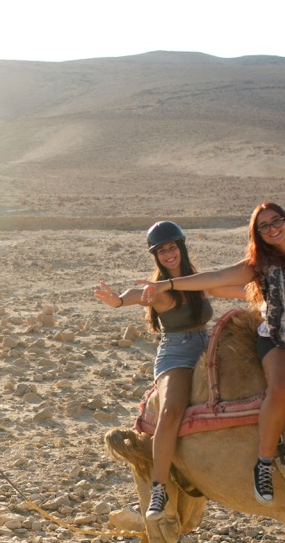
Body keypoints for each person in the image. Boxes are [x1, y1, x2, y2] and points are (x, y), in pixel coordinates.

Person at [140, 203, 285, 504]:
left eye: (276, 221)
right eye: (263, 227)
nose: (272, 229)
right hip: (280, 335)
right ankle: (263, 464)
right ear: (257, 234)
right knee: (281, 389)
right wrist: (167, 284)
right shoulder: (259, 264)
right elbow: (215, 278)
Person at [96, 221, 245, 523]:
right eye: (161, 251)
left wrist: (269, 291)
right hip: (176, 353)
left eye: (171, 247)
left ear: (181, 247)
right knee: (172, 409)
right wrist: (119, 301)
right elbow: (137, 293)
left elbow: (236, 290)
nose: (168, 254)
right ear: (156, 256)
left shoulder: (197, 282)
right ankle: (159, 488)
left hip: (206, 348)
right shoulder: (158, 289)